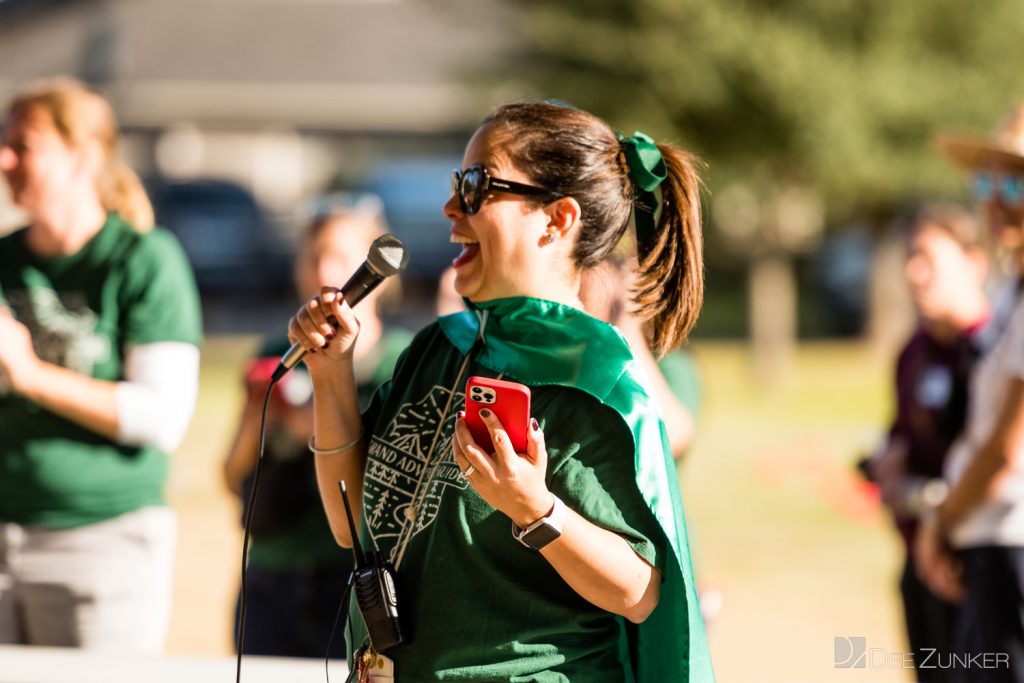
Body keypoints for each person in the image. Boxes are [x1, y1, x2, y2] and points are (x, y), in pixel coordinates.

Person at [288, 101, 714, 681]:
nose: (450, 207)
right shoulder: (439, 348)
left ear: (556, 220)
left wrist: (536, 510)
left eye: (476, 186)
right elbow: (350, 524)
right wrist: (330, 372)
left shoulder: (597, 383)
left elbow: (640, 591)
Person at [0, 78, 202, 653]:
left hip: (100, 547)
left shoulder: (144, 260)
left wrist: (30, 372)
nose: (3, 158)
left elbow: (162, 418)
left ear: (82, 156)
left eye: (24, 145)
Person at [222, 194, 410, 657]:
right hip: (271, 578)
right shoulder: (275, 353)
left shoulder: (404, 362)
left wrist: (320, 420)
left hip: (356, 585)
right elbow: (231, 477)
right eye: (314, 256)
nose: (326, 273)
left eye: (341, 259)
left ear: (380, 274)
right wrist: (257, 420)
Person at [914, 105, 1024, 680]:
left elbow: (1006, 450)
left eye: (1015, 180)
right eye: (986, 180)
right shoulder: (1012, 289)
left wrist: (941, 523)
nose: (996, 197)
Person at [868, 204, 989, 681]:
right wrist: (889, 463)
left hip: (982, 567)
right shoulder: (913, 352)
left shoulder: (995, 353)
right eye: (908, 257)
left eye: (928, 258)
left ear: (974, 262)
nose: (913, 272)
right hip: (920, 563)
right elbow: (901, 435)